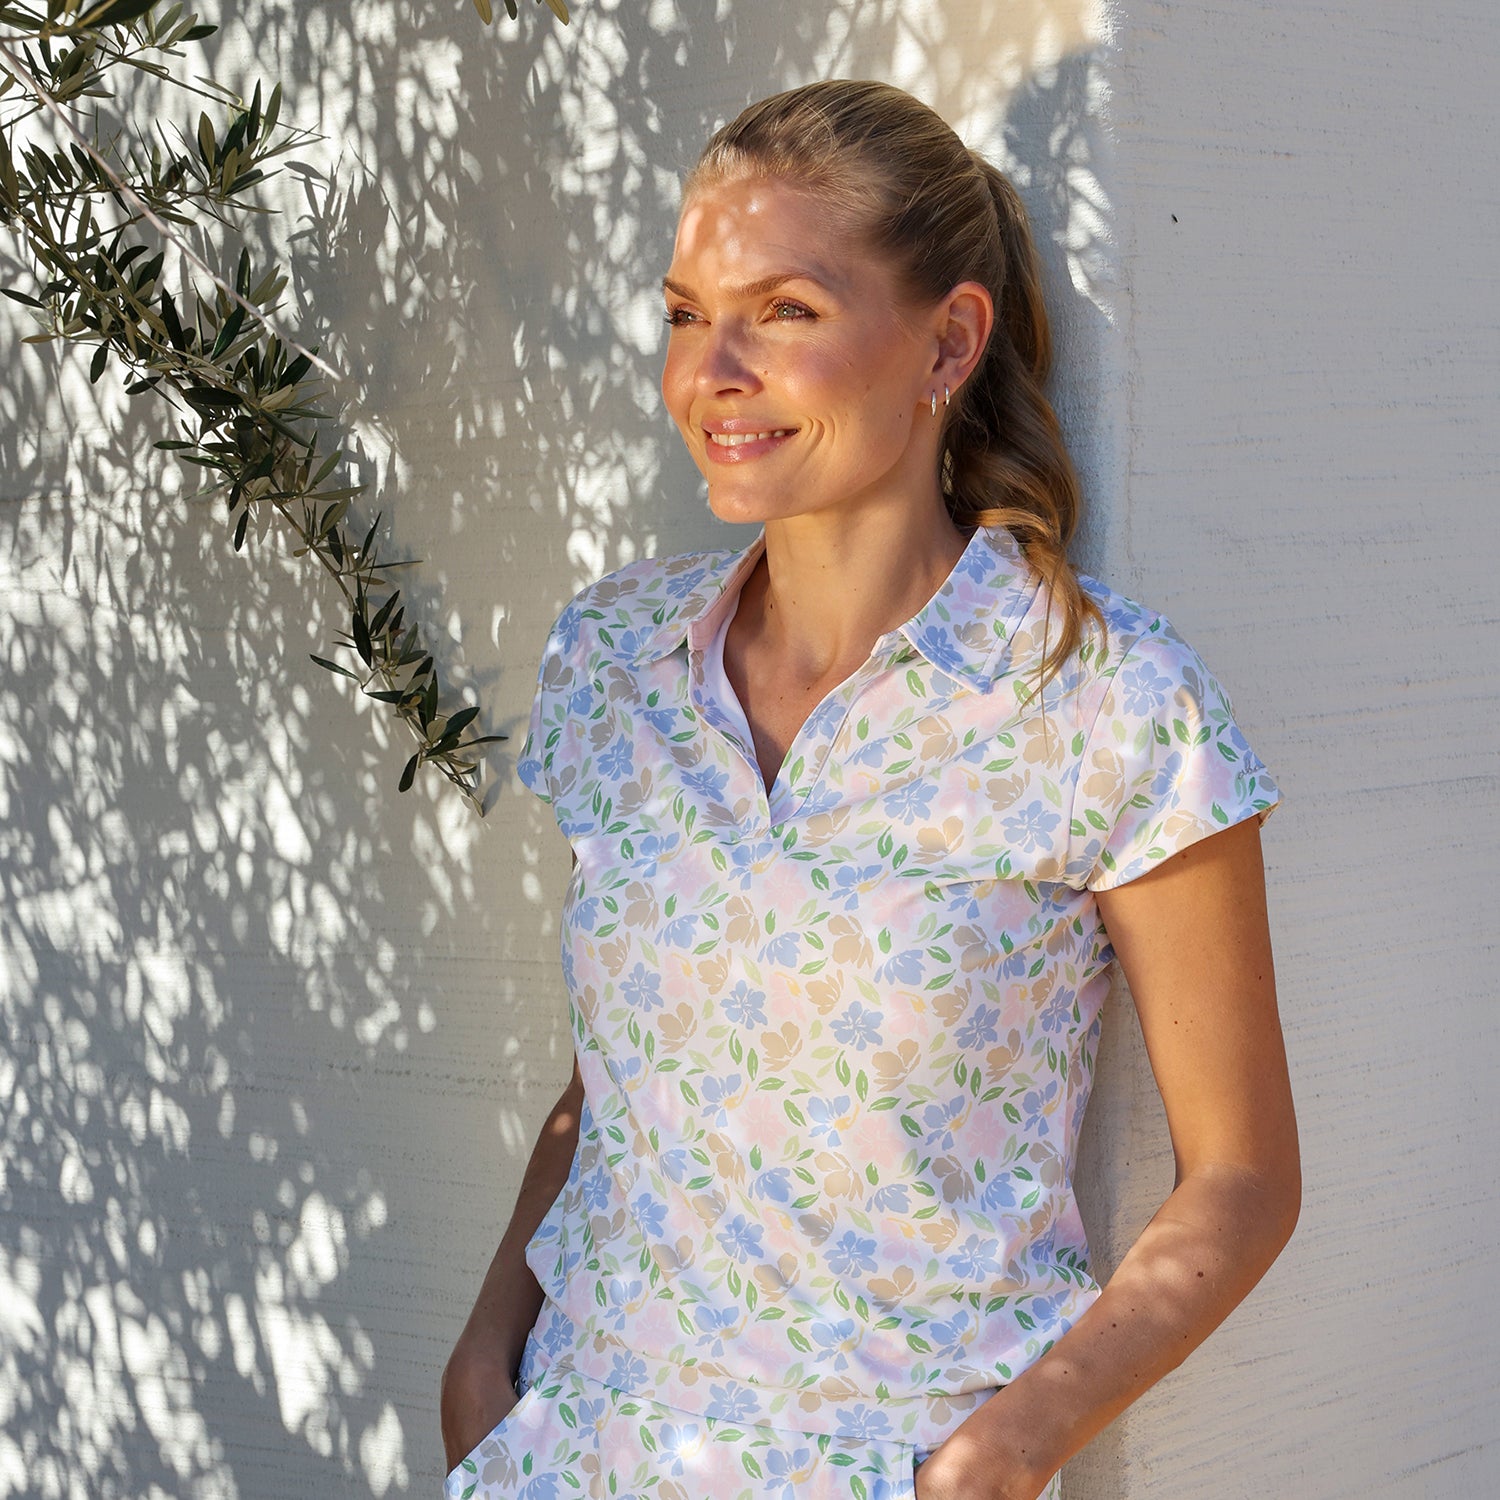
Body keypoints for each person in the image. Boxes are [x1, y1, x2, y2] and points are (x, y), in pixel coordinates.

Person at [440, 80, 1300, 1500]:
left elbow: (1245, 1178)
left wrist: (1003, 1453)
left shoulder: (1105, 702)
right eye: (683, 313)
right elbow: (624, 1074)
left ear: (947, 341)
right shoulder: (612, 662)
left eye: (783, 311)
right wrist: (487, 1360)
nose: (710, 370)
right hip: (572, 1455)